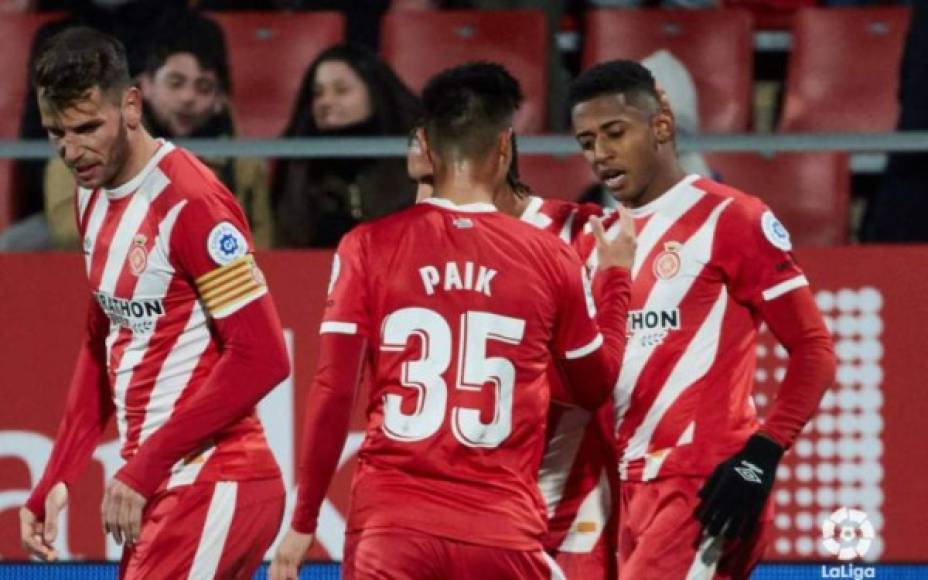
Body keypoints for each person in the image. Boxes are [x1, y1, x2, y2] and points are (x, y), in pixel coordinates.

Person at [269, 61, 636, 580]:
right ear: (505, 146)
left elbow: (332, 391)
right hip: (501, 535)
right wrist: (616, 279)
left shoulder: (367, 246)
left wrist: (303, 521)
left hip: (391, 528)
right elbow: (594, 387)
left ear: (426, 146)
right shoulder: (551, 256)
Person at [17, 28, 289, 578]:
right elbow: (103, 344)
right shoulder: (91, 194)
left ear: (133, 106)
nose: (72, 151)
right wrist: (58, 474)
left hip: (216, 482)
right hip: (163, 488)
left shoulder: (191, 201)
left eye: (88, 127)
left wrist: (145, 467)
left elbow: (263, 356)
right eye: (56, 134)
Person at [567, 59, 837, 578]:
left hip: (701, 482)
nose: (600, 154)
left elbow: (814, 350)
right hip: (619, 490)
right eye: (586, 141)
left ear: (661, 126)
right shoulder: (594, 239)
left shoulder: (732, 218)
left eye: (615, 133)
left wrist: (761, 456)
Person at [408, 120, 620, 578]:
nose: (423, 202)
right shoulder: (418, 252)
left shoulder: (582, 235)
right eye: (419, 184)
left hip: (571, 516)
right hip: (463, 521)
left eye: (433, 181)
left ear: (496, 158)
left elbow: (606, 380)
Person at [6, 0, 227, 250]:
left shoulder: (198, 31)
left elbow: (220, 133)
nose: (189, 96)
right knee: (15, 245)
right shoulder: (55, 39)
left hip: (181, 203)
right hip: (78, 199)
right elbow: (35, 151)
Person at [42, 28, 273, 249]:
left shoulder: (243, 162)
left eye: (204, 87)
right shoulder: (87, 141)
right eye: (175, 82)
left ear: (219, 100)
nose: (188, 97)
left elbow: (262, 244)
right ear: (145, 86)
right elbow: (68, 233)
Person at [273, 44, 422, 248]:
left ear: (375, 93)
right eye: (317, 93)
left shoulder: (416, 164)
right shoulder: (297, 169)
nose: (325, 102)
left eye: (341, 90)